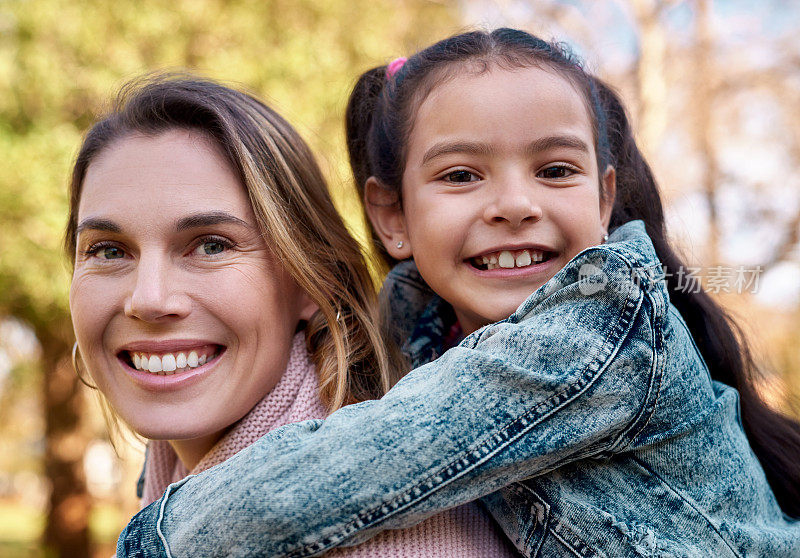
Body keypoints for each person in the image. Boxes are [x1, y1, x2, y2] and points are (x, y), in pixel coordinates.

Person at [118, 30, 800, 557]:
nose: (513, 203)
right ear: (391, 218)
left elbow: (360, 464)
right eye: (462, 175)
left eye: (555, 169)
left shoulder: (597, 328)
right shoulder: (423, 326)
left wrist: (154, 538)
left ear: (603, 199)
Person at [67, 74, 519, 556]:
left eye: (212, 245)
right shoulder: (178, 480)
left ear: (310, 281)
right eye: (109, 251)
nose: (148, 299)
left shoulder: (389, 541)